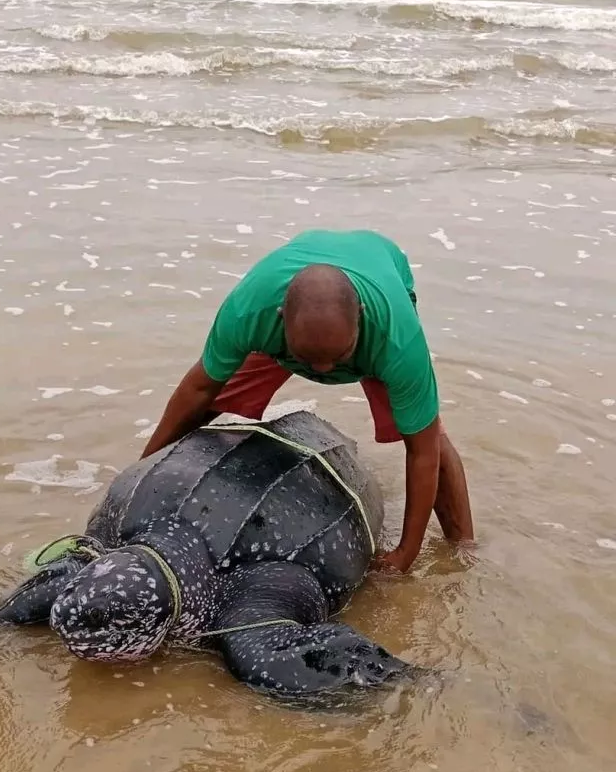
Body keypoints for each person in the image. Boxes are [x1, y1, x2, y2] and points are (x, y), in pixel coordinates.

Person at [141, 229, 473, 574]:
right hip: (290, 321)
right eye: (309, 361)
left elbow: (422, 452)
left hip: (379, 277)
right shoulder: (248, 313)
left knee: (425, 432)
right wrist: (141, 470)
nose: (324, 372)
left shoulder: (397, 340)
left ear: (360, 315)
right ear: (281, 316)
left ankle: (465, 550)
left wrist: (407, 552)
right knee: (209, 402)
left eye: (339, 356)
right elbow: (198, 391)